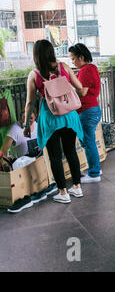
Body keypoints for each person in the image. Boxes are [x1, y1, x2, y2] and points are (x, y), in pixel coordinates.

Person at [24, 39, 84, 204]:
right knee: (71, 151)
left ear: (36, 54)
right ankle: (77, 187)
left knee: (55, 156)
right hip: (69, 116)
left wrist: (26, 124)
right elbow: (79, 85)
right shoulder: (64, 66)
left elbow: (29, 103)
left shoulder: (34, 74)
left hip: (50, 118)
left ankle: (63, 192)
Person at [69, 43, 102, 183]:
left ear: (81, 57)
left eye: (73, 58)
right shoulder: (92, 68)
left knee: (88, 143)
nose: (72, 62)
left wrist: (68, 88)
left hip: (87, 110)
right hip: (92, 110)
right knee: (89, 142)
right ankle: (96, 168)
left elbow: (82, 91)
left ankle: (94, 174)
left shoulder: (85, 70)